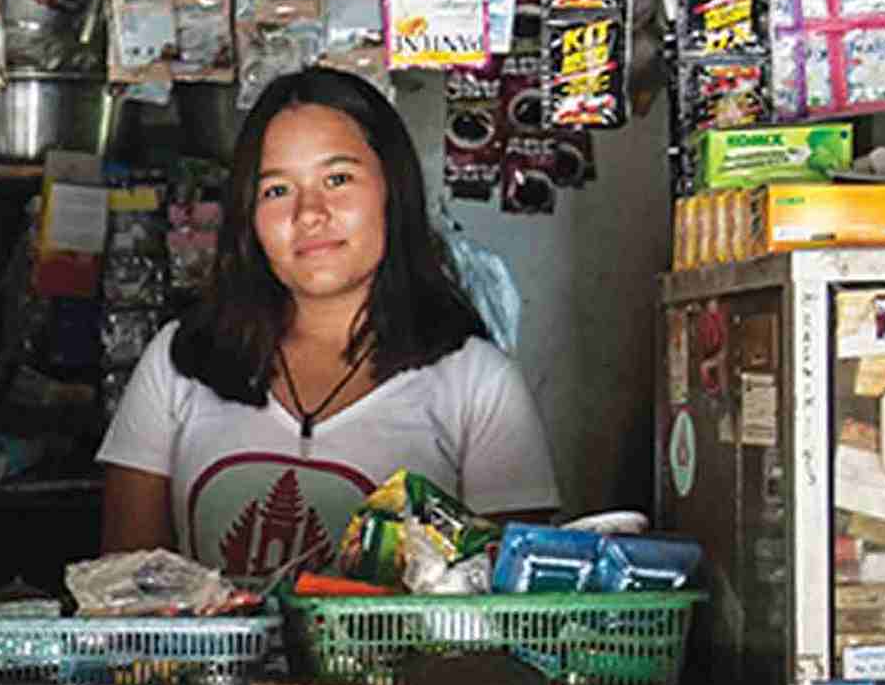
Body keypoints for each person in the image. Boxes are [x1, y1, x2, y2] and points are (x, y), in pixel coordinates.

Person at [97, 68, 559, 576]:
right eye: (276, 190)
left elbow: (514, 614)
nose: (310, 213)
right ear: (248, 215)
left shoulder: (477, 381)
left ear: (392, 189)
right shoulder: (177, 361)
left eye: (337, 179)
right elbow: (126, 596)